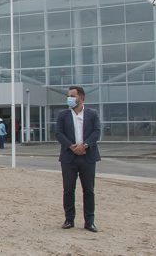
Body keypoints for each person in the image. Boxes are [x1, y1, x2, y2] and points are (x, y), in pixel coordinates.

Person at [56, 86, 101, 233]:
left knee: (89, 190)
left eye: (72, 95)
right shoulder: (63, 115)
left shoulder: (92, 114)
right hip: (69, 157)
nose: (69, 98)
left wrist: (85, 145)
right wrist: (71, 146)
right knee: (68, 189)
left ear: (81, 98)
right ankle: (69, 219)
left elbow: (96, 132)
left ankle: (90, 222)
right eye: (68, 96)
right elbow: (58, 133)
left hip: (88, 157)